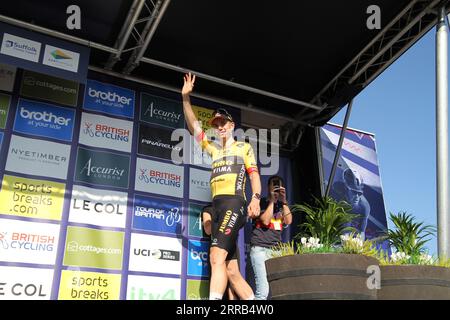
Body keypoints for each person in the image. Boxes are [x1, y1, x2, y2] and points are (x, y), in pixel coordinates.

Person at [182, 73, 261, 300]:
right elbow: (194, 127)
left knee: (216, 257)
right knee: (231, 271)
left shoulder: (243, 148)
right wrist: (186, 99)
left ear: (232, 125)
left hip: (234, 204)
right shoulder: (214, 150)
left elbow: (254, 176)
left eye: (223, 123)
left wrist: (255, 198)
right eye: (216, 125)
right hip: (217, 208)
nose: (219, 127)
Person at [250, 175, 292, 300]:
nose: (276, 189)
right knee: (263, 292)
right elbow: (265, 221)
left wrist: (284, 201)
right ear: (268, 187)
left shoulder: (282, 205)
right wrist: (272, 201)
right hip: (260, 249)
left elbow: (288, 221)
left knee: (278, 291)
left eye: (279, 186)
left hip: (276, 251)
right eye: (274, 186)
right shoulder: (261, 202)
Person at [202, 204, 246, 300]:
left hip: (231, 246)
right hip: (217, 246)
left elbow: (241, 223)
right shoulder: (208, 209)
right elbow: (208, 230)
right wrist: (219, 219)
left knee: (233, 279)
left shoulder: (234, 206)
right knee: (217, 278)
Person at [330, 168, 371, 233]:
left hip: (348, 210)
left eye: (359, 193)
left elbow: (362, 231)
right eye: (354, 192)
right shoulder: (337, 188)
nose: (357, 196)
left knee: (346, 229)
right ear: (346, 188)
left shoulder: (365, 206)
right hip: (343, 208)